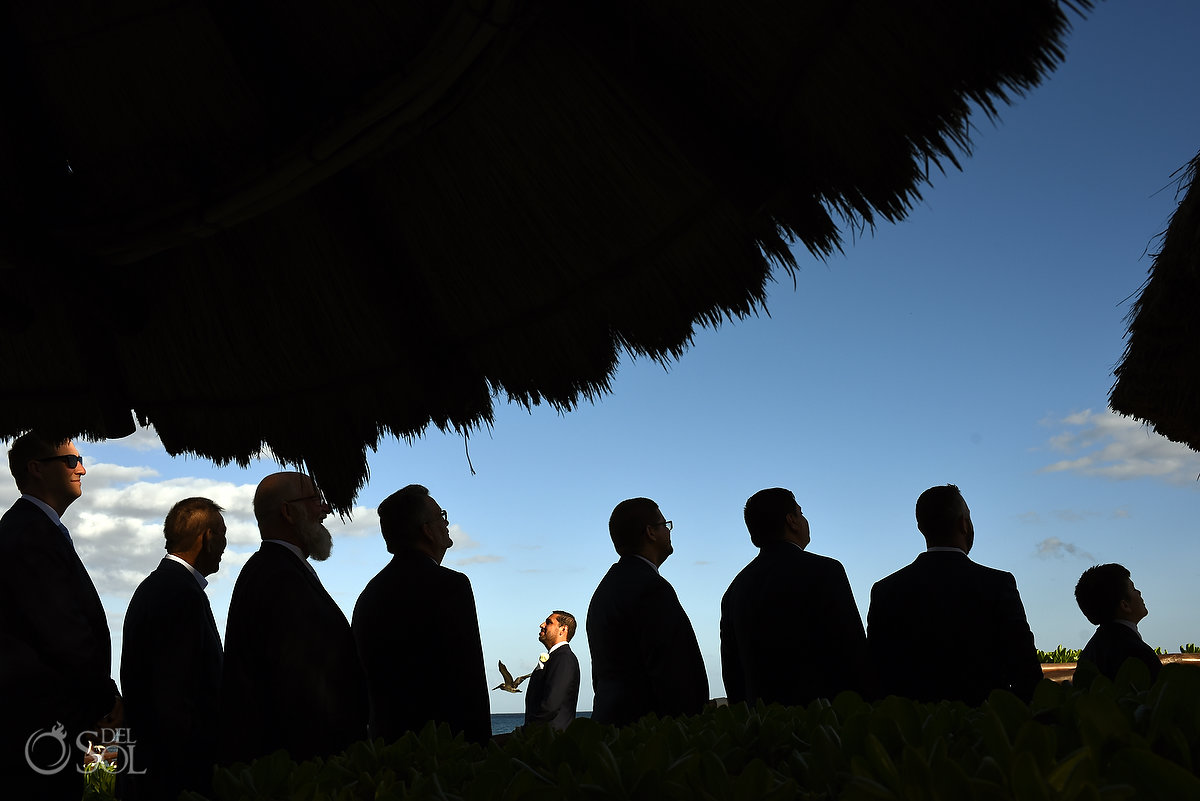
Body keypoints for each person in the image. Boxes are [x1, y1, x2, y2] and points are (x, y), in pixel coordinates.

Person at [1, 433, 122, 796]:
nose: (81, 469)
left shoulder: (35, 531)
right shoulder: (29, 535)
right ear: (36, 469)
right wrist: (106, 699)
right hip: (38, 727)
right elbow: (62, 633)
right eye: (70, 462)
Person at [220, 472, 367, 764]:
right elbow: (301, 688)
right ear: (288, 512)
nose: (326, 509)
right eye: (316, 499)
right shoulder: (280, 577)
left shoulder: (273, 570)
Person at [867, 484, 1042, 705]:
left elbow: (875, 672)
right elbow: (1026, 669)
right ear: (963, 524)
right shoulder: (998, 585)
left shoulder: (885, 590)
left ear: (921, 527)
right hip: (983, 726)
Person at [352, 484, 490, 744]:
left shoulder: (370, 593)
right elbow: (468, 680)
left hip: (388, 747)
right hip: (443, 748)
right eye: (442, 517)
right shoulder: (449, 585)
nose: (447, 524)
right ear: (427, 530)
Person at [120, 497, 227, 800]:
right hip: (171, 779)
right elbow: (176, 697)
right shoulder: (181, 594)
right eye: (223, 534)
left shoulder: (159, 586)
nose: (225, 545)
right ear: (207, 538)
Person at [721, 488, 868, 706]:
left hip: (765, 726)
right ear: (792, 521)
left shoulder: (734, 590)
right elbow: (853, 651)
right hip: (825, 719)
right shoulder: (825, 571)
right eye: (801, 513)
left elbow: (732, 673)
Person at [587, 497, 708, 726]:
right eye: (665, 525)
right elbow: (675, 672)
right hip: (648, 733)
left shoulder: (606, 589)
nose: (669, 532)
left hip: (613, 726)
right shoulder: (651, 588)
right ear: (650, 532)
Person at [1074, 563, 1161, 682]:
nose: (1139, 592)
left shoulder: (1088, 656)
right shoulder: (1138, 654)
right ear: (1125, 605)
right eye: (1134, 589)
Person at [523, 611, 581, 730]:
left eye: (549, 622)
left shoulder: (564, 658)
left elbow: (551, 705)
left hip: (552, 740)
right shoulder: (557, 657)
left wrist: (526, 731)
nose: (542, 625)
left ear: (563, 630)